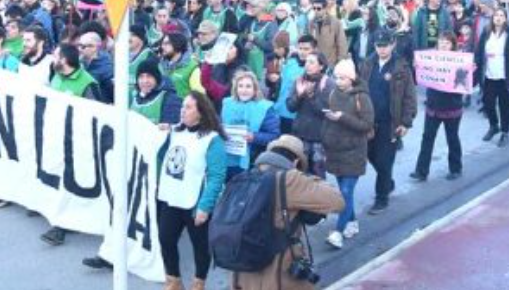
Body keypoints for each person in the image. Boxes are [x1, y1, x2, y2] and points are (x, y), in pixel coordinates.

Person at [83, 92, 227, 290]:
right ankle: (174, 281)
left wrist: (205, 206)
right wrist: (158, 135)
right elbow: (161, 155)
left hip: (194, 201)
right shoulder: (175, 132)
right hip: (169, 197)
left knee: (200, 247)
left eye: (188, 107)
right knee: (166, 240)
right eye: (183, 106)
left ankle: (198, 283)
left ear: (201, 113)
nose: (182, 110)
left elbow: (216, 176)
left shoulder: (213, 140)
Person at [227, 135, 345, 290]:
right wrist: (307, 177)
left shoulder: (247, 177)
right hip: (278, 270)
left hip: (243, 268)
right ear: (295, 162)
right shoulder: (290, 179)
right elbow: (337, 201)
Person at [359, 29, 416, 215]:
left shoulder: (401, 67)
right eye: (378, 45)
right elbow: (359, 88)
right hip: (368, 121)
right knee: (370, 156)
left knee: (384, 161)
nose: (381, 49)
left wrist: (406, 123)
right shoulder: (368, 63)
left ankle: (381, 198)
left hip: (389, 122)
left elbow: (409, 96)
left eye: (385, 45)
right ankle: (387, 181)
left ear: (393, 44)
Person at [322, 59, 374, 249]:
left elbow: (367, 125)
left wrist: (342, 118)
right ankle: (351, 222)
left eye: (343, 78)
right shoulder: (333, 94)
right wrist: (325, 139)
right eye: (336, 77)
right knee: (345, 193)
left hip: (354, 151)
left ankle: (337, 232)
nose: (338, 81)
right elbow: (327, 123)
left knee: (345, 192)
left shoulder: (362, 97)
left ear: (352, 79)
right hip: (335, 151)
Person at [410, 31, 465, 181]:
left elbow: (466, 83)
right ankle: (421, 171)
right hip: (433, 104)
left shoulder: (460, 60)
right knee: (427, 138)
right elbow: (418, 79)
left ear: (453, 45)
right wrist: (417, 68)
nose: (443, 45)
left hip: (452, 106)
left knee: (452, 138)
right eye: (441, 42)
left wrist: (470, 70)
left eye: (447, 43)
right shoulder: (431, 58)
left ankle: (456, 168)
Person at [474, 7, 509, 147]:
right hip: (489, 74)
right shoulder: (486, 32)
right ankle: (494, 126)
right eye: (496, 15)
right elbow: (479, 51)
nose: (498, 18)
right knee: (488, 103)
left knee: (505, 105)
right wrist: (476, 65)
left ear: (506, 18)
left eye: (501, 15)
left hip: (506, 75)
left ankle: (505, 132)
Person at [222, 70, 281, 180]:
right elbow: (219, 125)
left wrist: (254, 137)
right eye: (241, 86)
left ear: (255, 89)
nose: (244, 90)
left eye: (248, 86)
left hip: (252, 161)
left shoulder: (265, 108)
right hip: (228, 159)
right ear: (236, 88)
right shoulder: (227, 103)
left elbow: (274, 136)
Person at [286, 51, 334, 179]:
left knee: (318, 174)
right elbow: (290, 107)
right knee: (298, 172)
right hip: (299, 135)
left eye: (312, 62)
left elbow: (325, 111)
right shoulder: (299, 81)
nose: (307, 65)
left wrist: (311, 96)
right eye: (306, 61)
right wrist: (299, 95)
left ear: (321, 66)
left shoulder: (328, 83)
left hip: (319, 137)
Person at [309, 0, 348, 68]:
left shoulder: (335, 22)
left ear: (325, 8)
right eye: (314, 8)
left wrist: (340, 63)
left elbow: (342, 44)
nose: (316, 11)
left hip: (331, 63)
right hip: (315, 64)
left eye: (318, 8)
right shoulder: (311, 23)